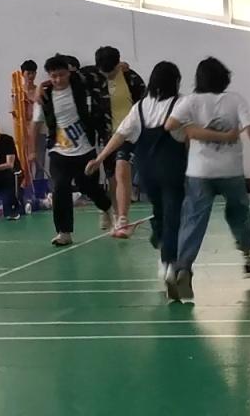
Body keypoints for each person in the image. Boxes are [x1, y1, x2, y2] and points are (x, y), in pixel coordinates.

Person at [163, 57, 250, 302]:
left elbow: (169, 125)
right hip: (231, 171)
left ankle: (183, 268)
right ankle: (248, 256)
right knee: (239, 213)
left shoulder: (190, 101)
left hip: (199, 172)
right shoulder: (235, 99)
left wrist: (193, 130)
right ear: (224, 77)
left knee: (193, 220)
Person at [86, 62, 189, 295]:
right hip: (172, 169)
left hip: (147, 173)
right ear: (176, 82)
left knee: (161, 211)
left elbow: (120, 135)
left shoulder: (140, 107)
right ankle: (168, 264)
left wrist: (100, 158)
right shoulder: (181, 103)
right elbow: (190, 137)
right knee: (173, 216)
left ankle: (159, 240)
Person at [32, 54, 113, 246]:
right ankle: (64, 232)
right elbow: (35, 124)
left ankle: (107, 207)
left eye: (61, 74)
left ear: (69, 72)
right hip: (58, 151)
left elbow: (96, 73)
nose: (58, 79)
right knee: (60, 187)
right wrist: (32, 150)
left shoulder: (81, 85)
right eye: (53, 76)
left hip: (85, 149)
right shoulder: (44, 96)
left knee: (89, 187)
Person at [92, 46, 146, 235]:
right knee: (111, 177)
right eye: (104, 72)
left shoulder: (132, 78)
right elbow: (71, 73)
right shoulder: (95, 79)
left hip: (131, 134)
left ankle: (123, 217)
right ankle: (116, 214)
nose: (109, 75)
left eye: (112, 71)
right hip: (108, 136)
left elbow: (145, 103)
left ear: (119, 63)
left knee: (122, 170)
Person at [14, 60, 46, 180]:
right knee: (24, 162)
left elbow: (45, 110)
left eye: (33, 73)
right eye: (28, 73)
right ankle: (25, 185)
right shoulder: (18, 92)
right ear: (23, 74)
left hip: (39, 129)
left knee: (40, 161)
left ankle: (39, 187)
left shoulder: (40, 90)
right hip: (24, 131)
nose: (31, 76)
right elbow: (15, 112)